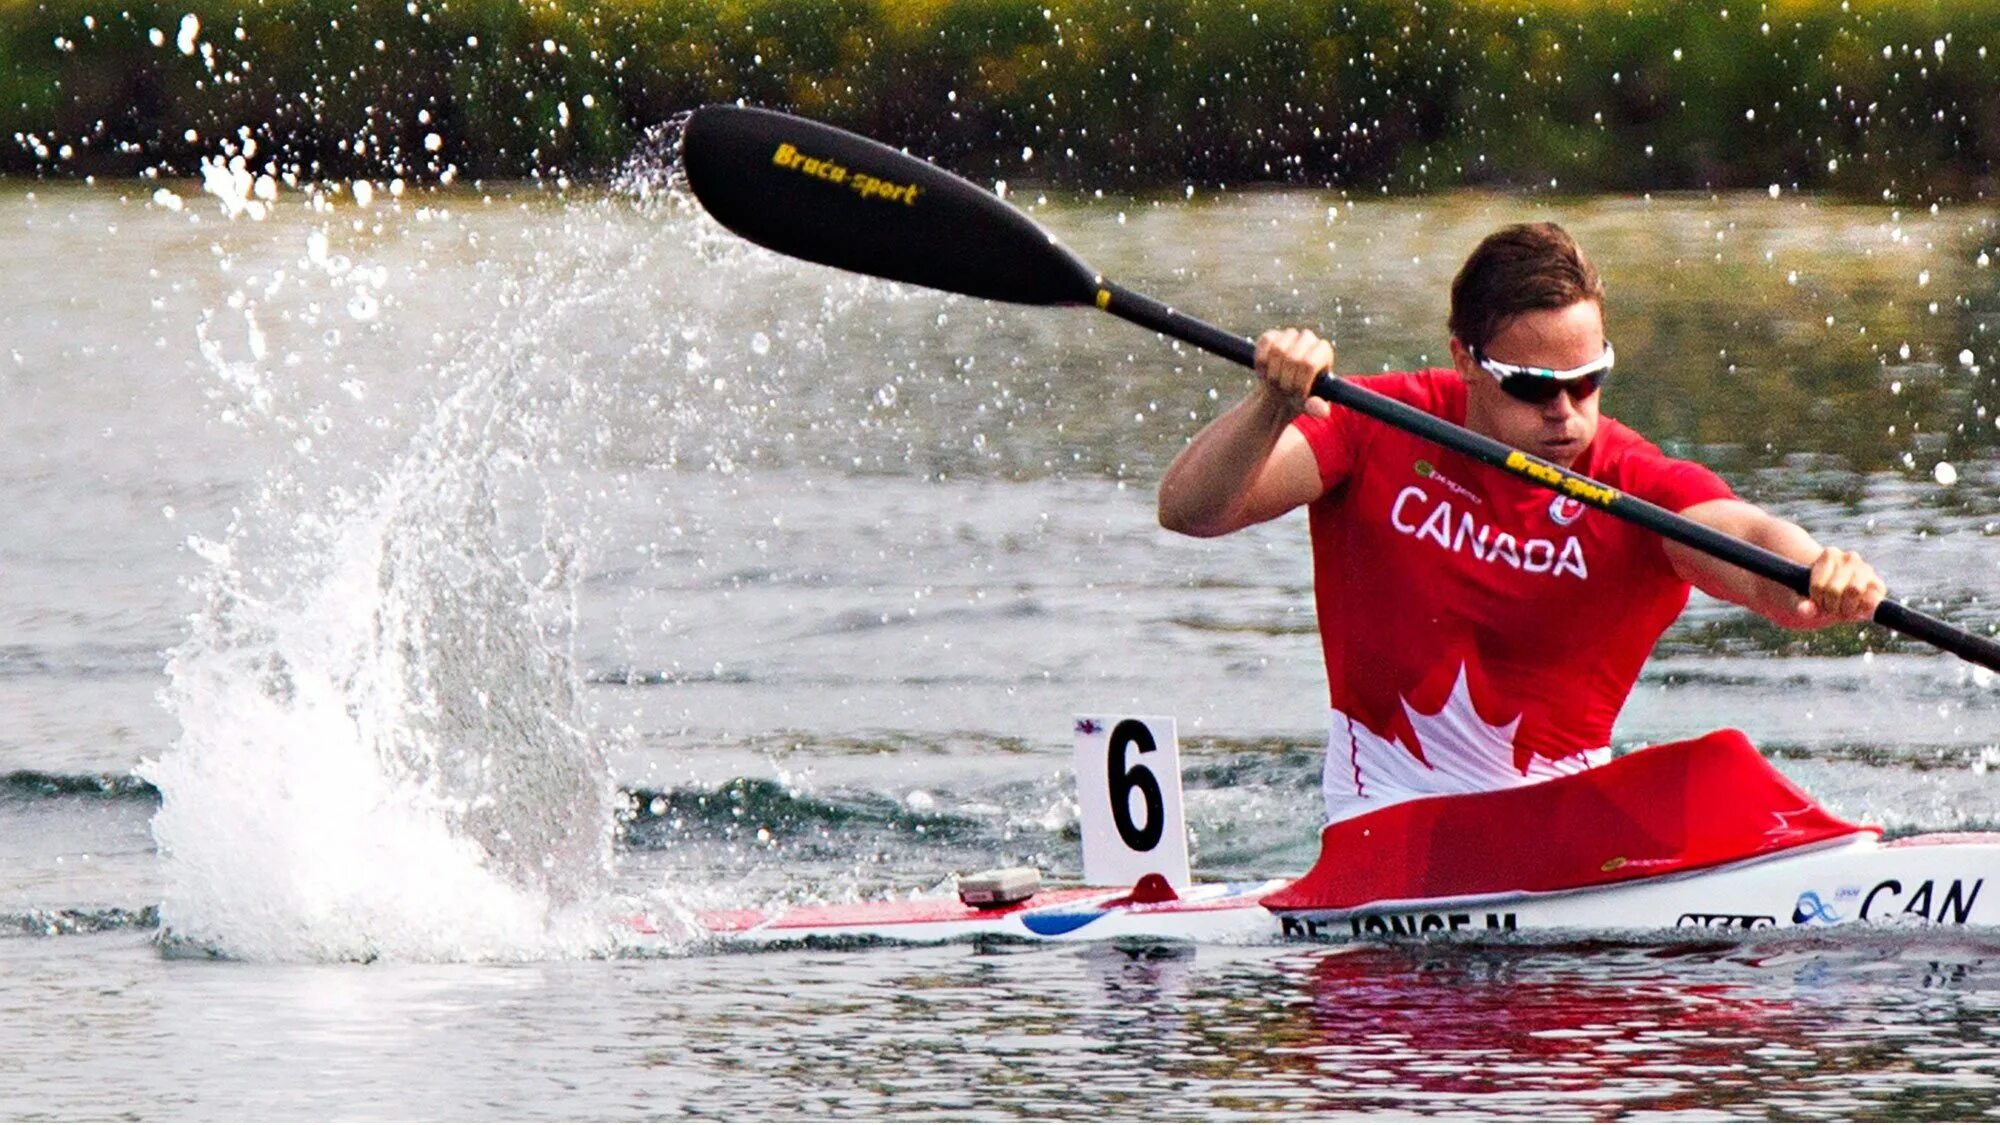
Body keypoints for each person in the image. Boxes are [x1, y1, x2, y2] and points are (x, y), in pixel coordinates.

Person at [1157, 222, 1887, 824]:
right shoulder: (1380, 425)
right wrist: (1271, 404)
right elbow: (1189, 511)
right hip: (1382, 823)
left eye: (1586, 380)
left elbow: (1749, 539)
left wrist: (1817, 571)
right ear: (1465, 362)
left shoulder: (1630, 481)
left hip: (1564, 832)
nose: (1565, 412)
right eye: (1534, 387)